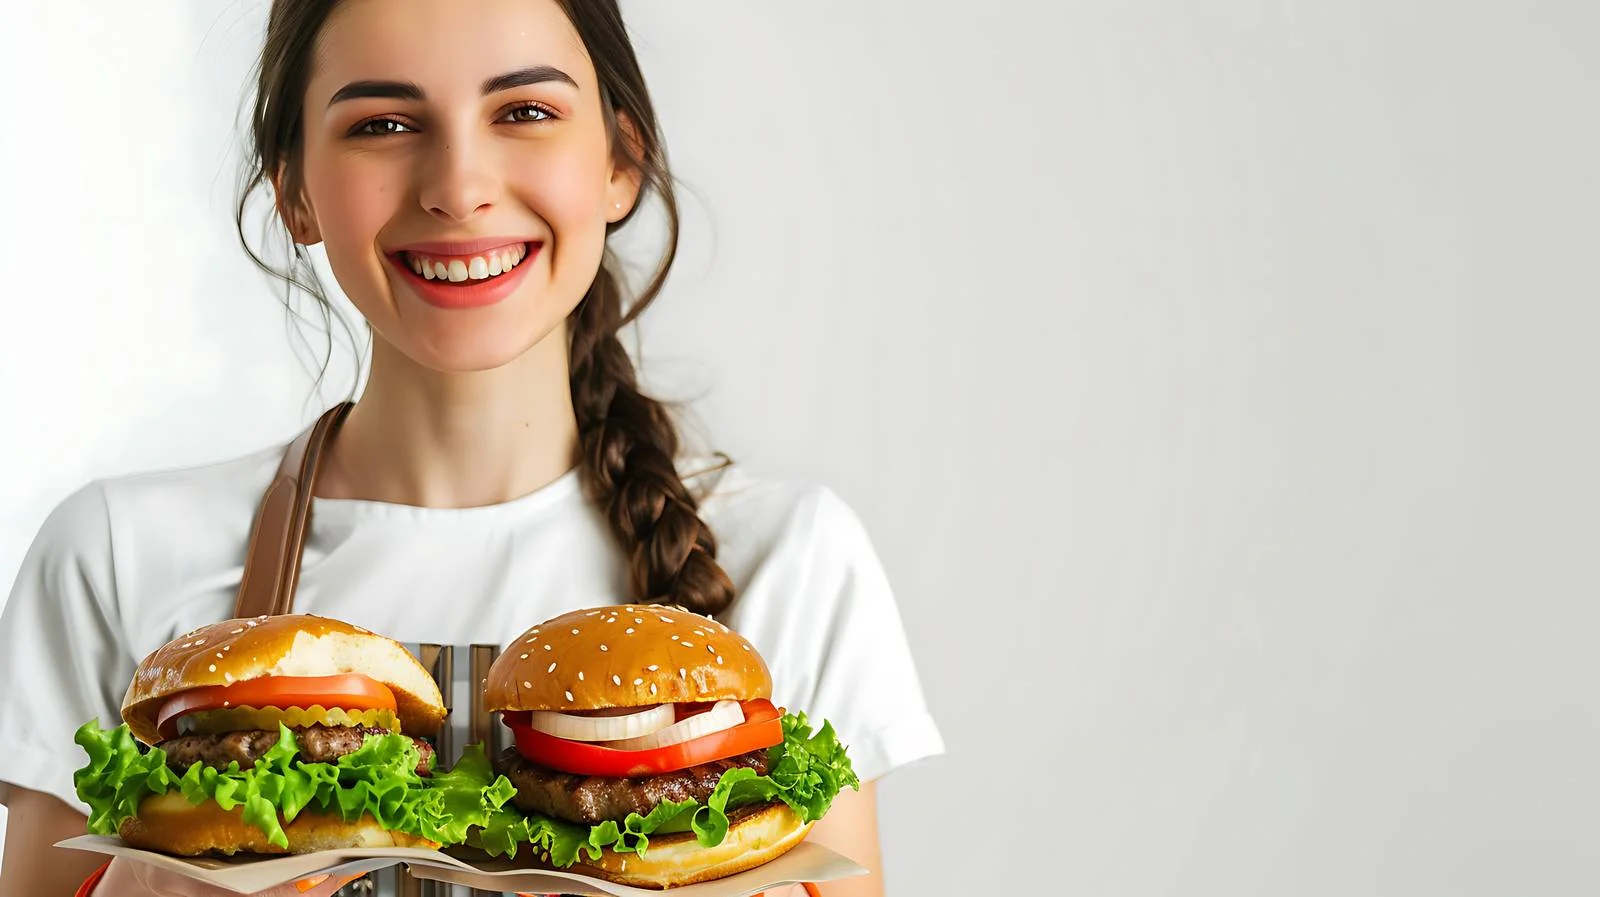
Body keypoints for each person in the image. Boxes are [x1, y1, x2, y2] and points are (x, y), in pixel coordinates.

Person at [0, 2, 943, 895]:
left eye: (524, 111)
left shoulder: (794, 560)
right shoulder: (114, 555)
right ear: (293, 190)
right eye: (382, 124)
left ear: (620, 161)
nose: (458, 188)